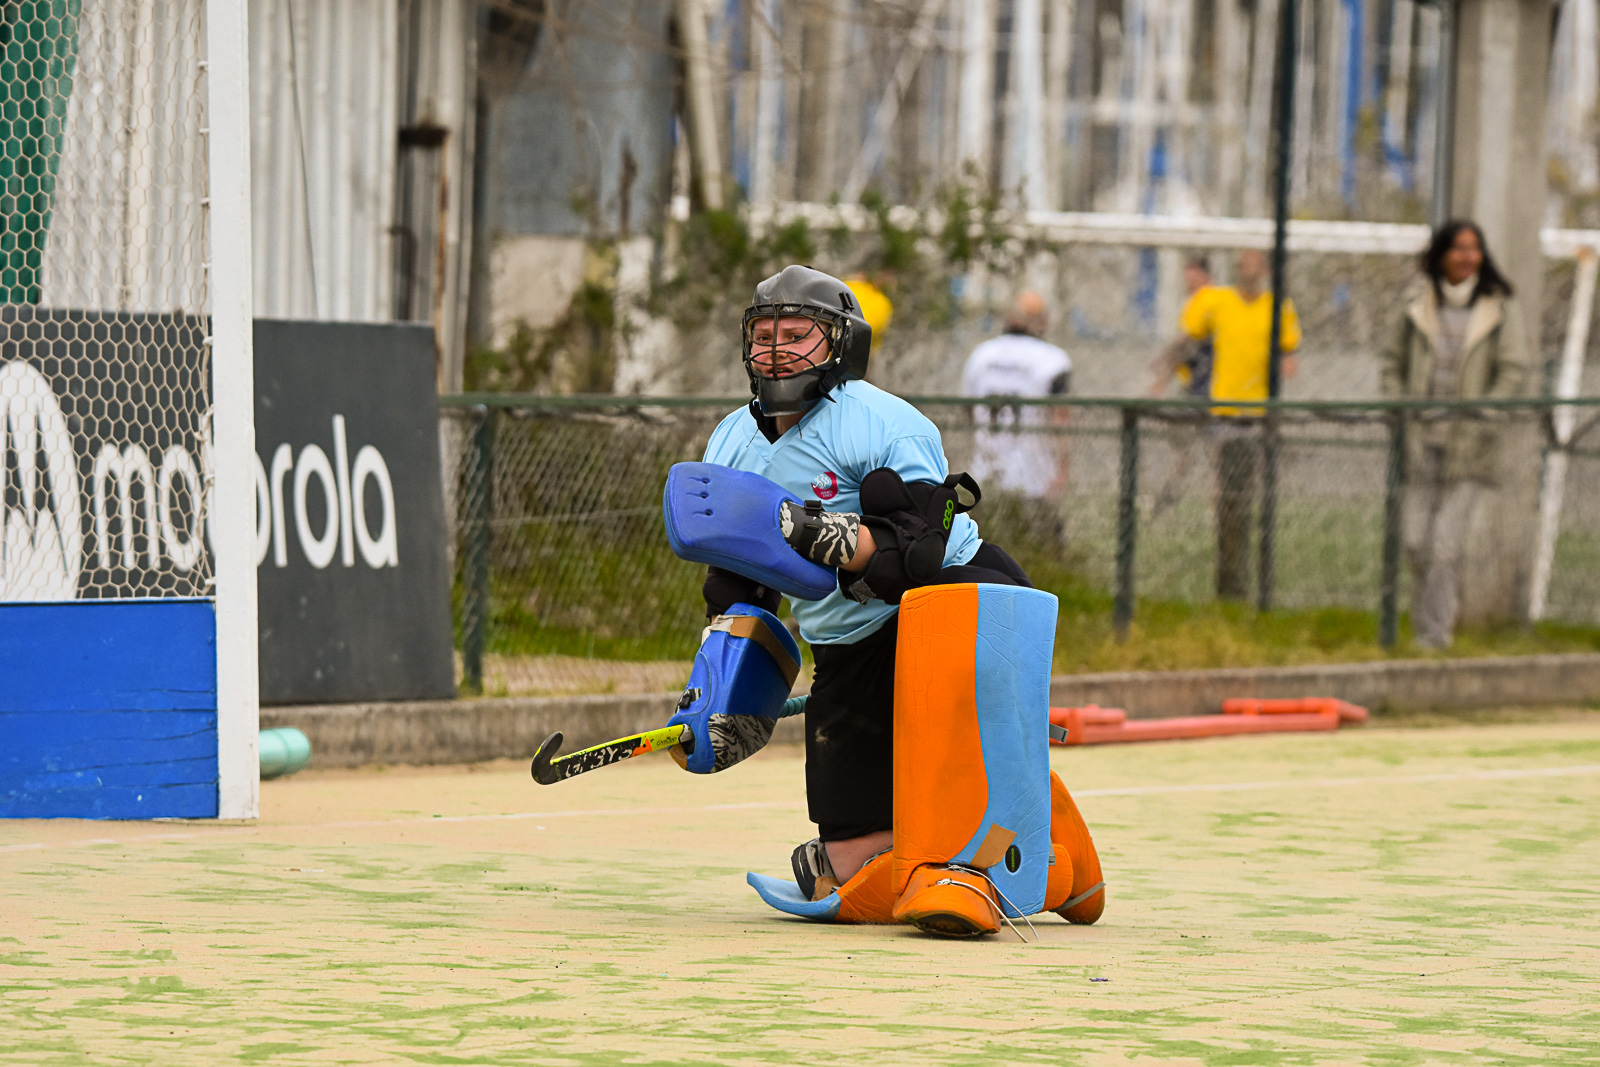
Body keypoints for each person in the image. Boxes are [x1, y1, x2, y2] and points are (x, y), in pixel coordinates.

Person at [699, 267, 1037, 889]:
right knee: (858, 869)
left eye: (796, 333)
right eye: (764, 335)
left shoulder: (884, 421)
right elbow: (739, 586)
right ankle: (867, 859)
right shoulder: (729, 440)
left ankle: (1002, 864)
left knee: (956, 784)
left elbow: (917, 556)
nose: (775, 350)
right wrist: (724, 691)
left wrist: (818, 532)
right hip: (847, 642)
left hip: (950, 604)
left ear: (839, 343)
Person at [1381, 220, 1528, 648]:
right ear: (1441, 254)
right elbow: (1391, 363)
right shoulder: (1416, 304)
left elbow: (1513, 369)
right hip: (1420, 441)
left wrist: (1486, 412)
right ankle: (1427, 622)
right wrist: (1399, 403)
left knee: (1445, 546)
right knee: (1414, 542)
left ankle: (1433, 637)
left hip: (1470, 448)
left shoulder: (1498, 309)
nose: (1467, 256)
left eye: (1474, 248)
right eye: (1459, 248)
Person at [1181, 248, 1301, 600]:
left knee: (1251, 495)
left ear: (1264, 270)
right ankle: (1230, 580)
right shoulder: (1217, 301)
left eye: (1254, 265)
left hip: (1260, 415)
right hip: (1224, 411)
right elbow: (1187, 339)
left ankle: (1254, 577)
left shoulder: (1279, 307)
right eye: (1242, 265)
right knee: (1229, 494)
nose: (1247, 271)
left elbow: (1290, 354)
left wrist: (1285, 365)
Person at [960, 292, 1072, 544]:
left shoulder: (981, 355)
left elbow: (967, 409)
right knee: (1042, 553)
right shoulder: (1053, 359)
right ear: (1042, 321)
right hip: (1035, 475)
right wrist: (1062, 469)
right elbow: (1059, 419)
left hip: (986, 472)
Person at [1149, 255, 1216, 397]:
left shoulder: (1207, 297)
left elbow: (1187, 339)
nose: (1188, 276)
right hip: (1195, 375)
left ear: (1204, 274)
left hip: (1204, 374)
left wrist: (1164, 361)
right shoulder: (1194, 299)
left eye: (1193, 270)